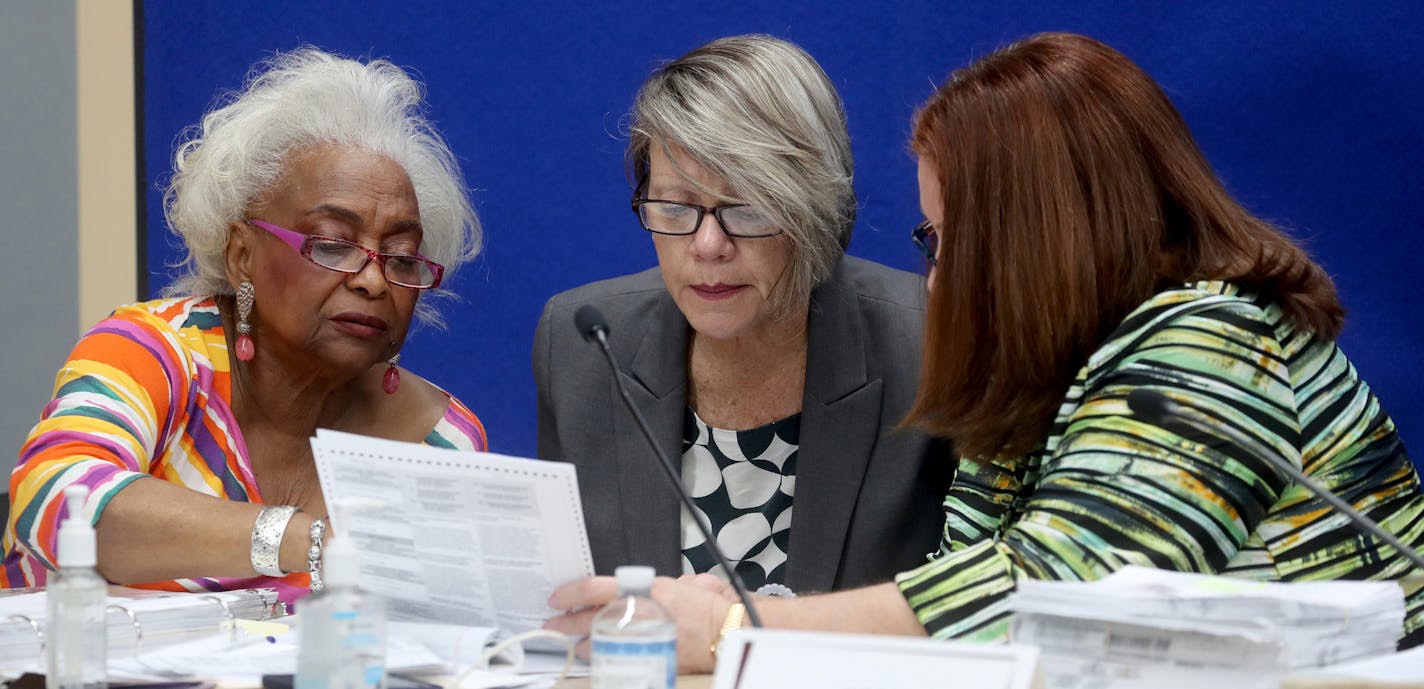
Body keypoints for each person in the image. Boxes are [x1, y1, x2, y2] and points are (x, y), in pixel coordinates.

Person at [545, 32, 1424, 671]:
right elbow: (959, 587)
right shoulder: (1054, 374)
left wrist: (740, 629)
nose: (936, 281)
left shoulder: (1215, 341)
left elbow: (1055, 593)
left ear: (1044, 233)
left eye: (950, 241)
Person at [3, 48, 488, 605]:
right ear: (242, 256)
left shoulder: (439, 441)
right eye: (332, 245)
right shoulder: (154, 352)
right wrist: (304, 540)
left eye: (401, 257)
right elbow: (55, 501)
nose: (374, 282)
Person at [533, 35, 951, 596]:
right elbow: (576, 603)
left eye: (747, 208)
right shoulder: (583, 343)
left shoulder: (930, 343)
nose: (707, 245)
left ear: (815, 211)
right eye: (677, 206)